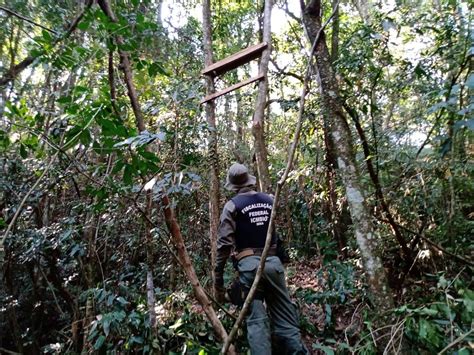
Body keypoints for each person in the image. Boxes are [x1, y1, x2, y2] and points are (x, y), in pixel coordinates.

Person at [214, 163, 307, 355]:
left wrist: (218, 276)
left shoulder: (232, 206)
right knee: (286, 319)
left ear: (233, 185)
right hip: (274, 265)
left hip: (249, 268)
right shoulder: (270, 200)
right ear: (249, 181)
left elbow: (224, 245)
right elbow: (274, 233)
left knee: (257, 321)